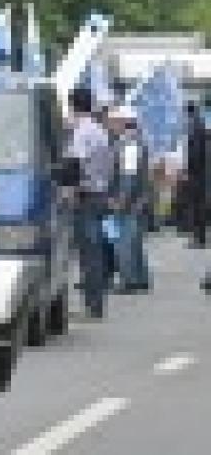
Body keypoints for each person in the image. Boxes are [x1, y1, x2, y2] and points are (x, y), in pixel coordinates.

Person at [66, 88, 114, 319]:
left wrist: (70, 190)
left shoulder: (82, 132)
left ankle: (93, 307)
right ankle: (95, 304)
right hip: (100, 193)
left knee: (88, 252)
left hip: (87, 196)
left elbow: (76, 165)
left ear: (74, 106)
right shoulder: (100, 130)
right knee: (95, 250)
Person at [107, 106, 151, 294]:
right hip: (138, 201)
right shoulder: (135, 141)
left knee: (124, 242)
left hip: (129, 202)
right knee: (135, 242)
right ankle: (141, 278)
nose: (110, 125)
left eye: (113, 121)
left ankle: (129, 280)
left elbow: (128, 176)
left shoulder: (129, 144)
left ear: (123, 122)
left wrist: (120, 200)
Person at [182, 103, 207, 249]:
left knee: (196, 206)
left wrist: (188, 170)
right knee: (198, 206)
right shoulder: (200, 125)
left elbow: (194, 152)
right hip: (201, 172)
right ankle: (199, 238)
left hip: (196, 174)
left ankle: (199, 239)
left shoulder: (194, 127)